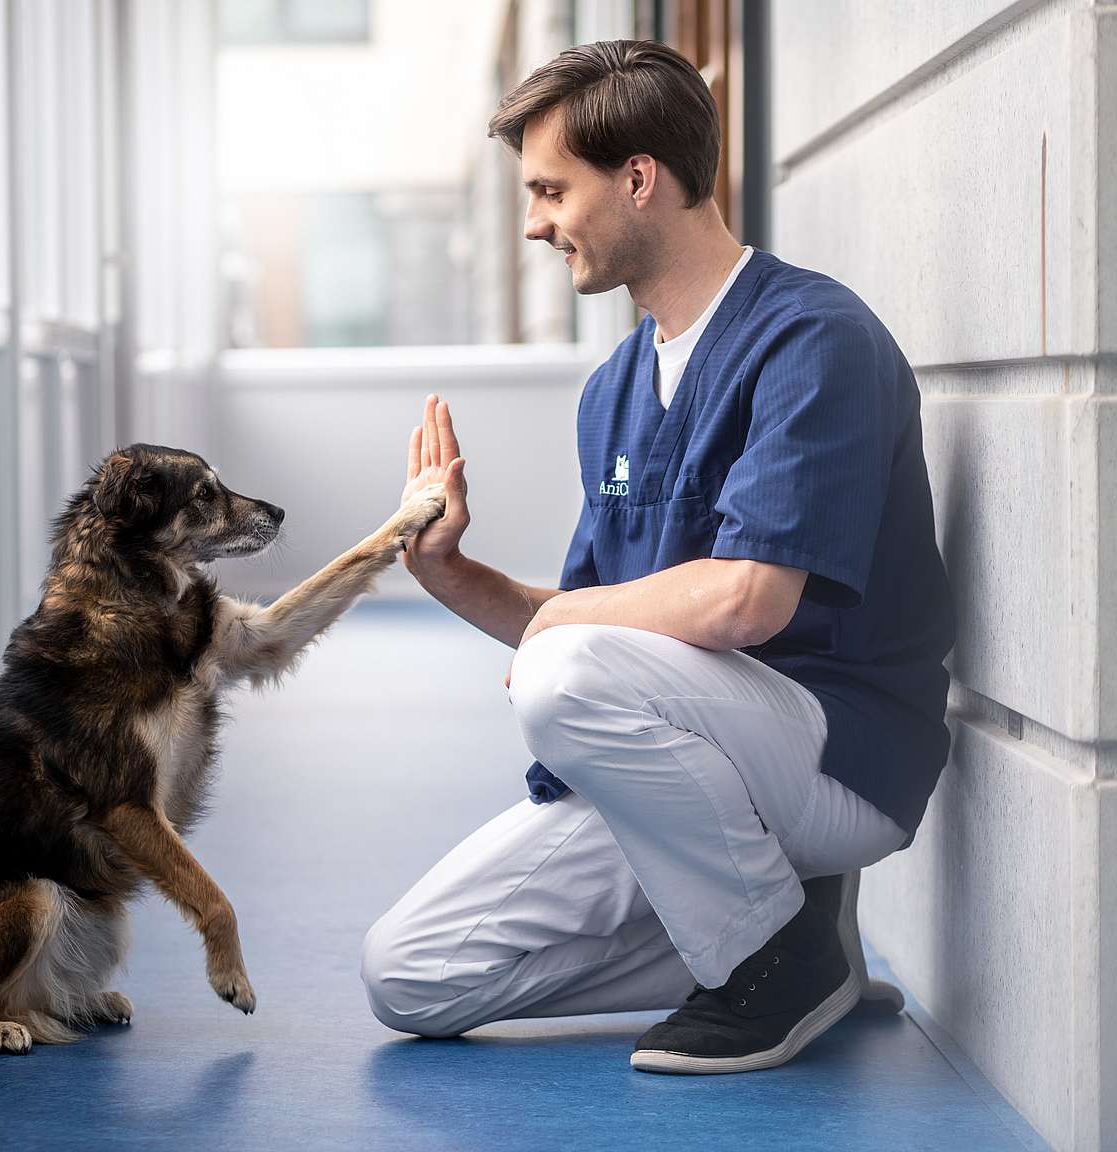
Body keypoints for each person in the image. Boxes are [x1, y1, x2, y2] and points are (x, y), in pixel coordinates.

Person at [359, 39, 954, 1074]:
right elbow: (597, 617)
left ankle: (770, 961)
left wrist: (554, 632)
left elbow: (745, 605)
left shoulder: (815, 341)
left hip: (833, 759)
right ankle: (789, 931)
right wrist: (455, 574)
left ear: (639, 178)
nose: (536, 222)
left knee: (565, 665)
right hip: (691, 774)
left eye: (550, 190)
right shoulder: (612, 390)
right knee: (410, 972)